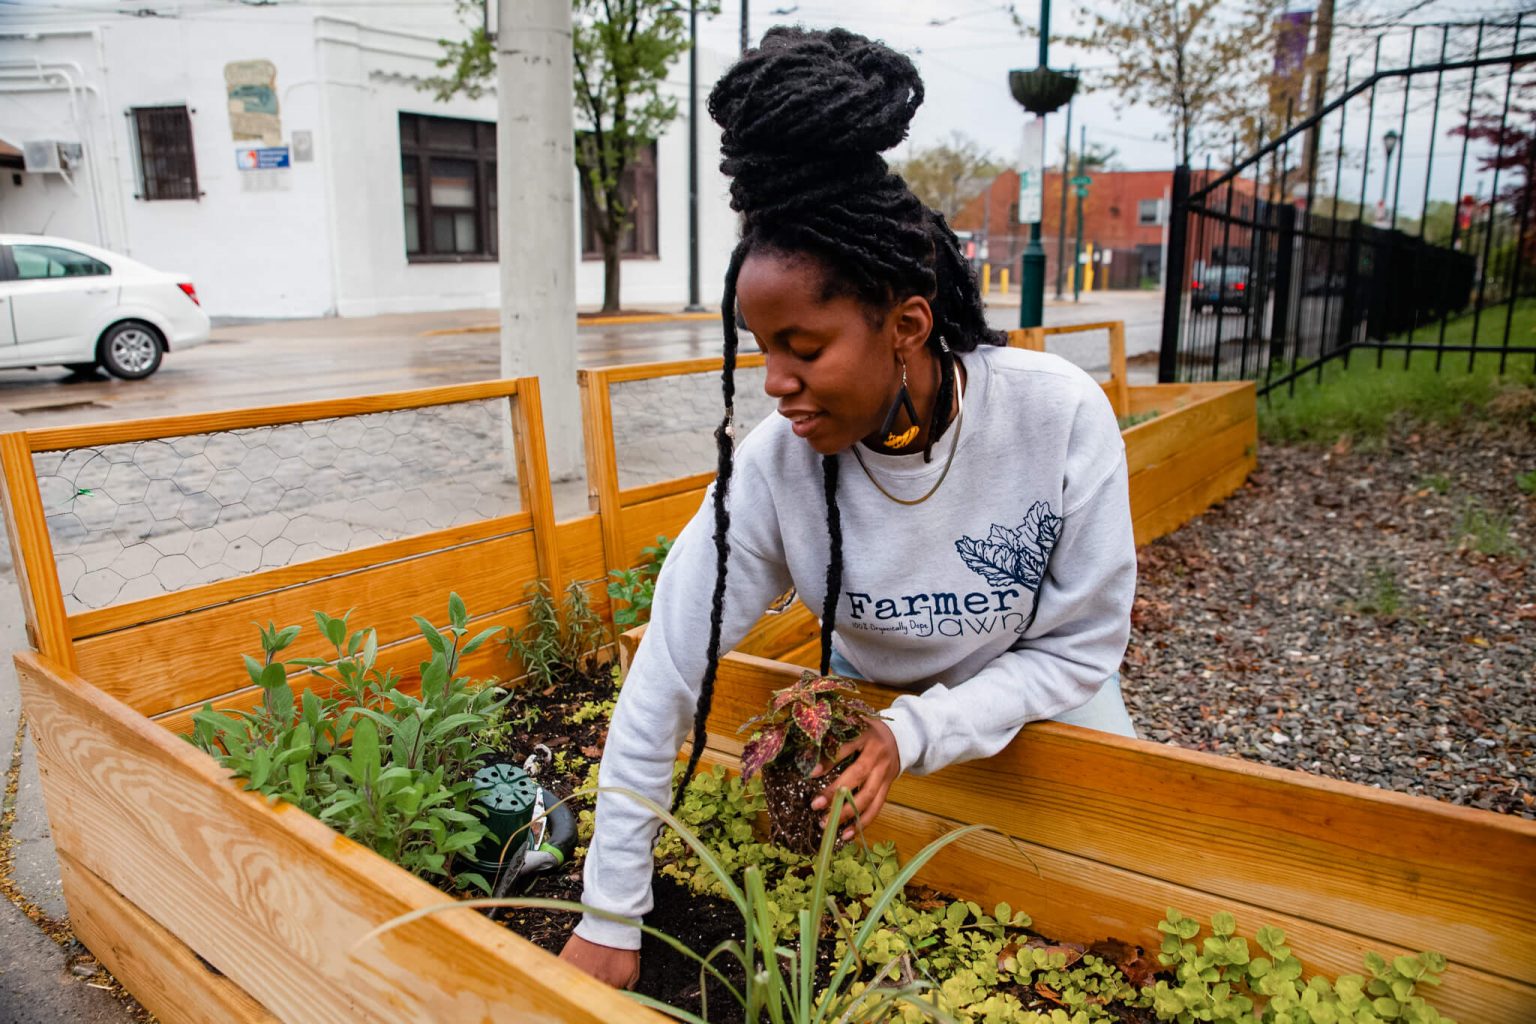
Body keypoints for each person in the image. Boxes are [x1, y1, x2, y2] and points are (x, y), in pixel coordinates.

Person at [560, 26, 1137, 988]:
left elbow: (1078, 652)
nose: (776, 384)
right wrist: (612, 912)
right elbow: (666, 670)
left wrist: (915, 733)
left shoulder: (1054, 417)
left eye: (806, 347)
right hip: (869, 751)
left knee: (1123, 924)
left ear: (908, 322)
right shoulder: (778, 467)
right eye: (761, 349)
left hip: (1046, 724)